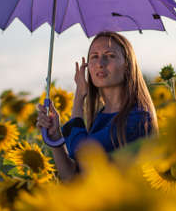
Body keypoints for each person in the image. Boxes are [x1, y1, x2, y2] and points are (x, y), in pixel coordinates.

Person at [36, 31, 158, 180]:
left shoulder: (138, 118)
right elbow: (73, 179)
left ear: (127, 65)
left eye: (110, 56)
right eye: (94, 57)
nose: (100, 63)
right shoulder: (100, 119)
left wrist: (79, 97)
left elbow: (81, 152)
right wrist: (54, 137)